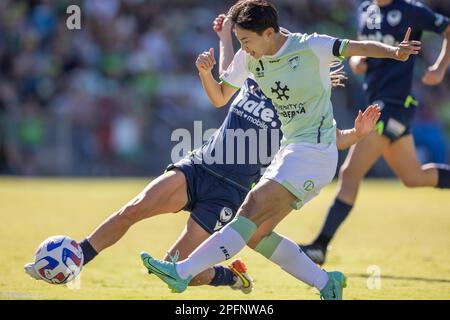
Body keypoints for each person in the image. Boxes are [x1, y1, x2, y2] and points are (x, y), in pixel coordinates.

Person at [23, 12, 379, 293]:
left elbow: (323, 140)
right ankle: (79, 257)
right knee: (133, 209)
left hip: (231, 191)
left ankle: (229, 277)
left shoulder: (302, 104)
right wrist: (225, 38)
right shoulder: (257, 68)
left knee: (175, 266)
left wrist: (357, 135)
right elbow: (226, 78)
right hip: (201, 165)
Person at [139, 0, 416, 300]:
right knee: (257, 234)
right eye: (239, 41)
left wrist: (395, 52)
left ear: (269, 32)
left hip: (312, 156)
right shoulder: (250, 57)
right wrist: (208, 71)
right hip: (291, 151)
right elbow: (220, 96)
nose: (244, 47)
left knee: (248, 211)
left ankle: (182, 272)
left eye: (246, 40)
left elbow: (357, 47)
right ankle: (326, 283)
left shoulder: (311, 46)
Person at [301, 0, 450, 266]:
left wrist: (439, 68)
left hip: (391, 104)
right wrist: (359, 60)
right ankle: (320, 246)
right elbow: (362, 48)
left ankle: (320, 246)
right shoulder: (364, 10)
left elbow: (448, 29)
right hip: (381, 102)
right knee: (414, 177)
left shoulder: (411, 10)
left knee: (349, 173)